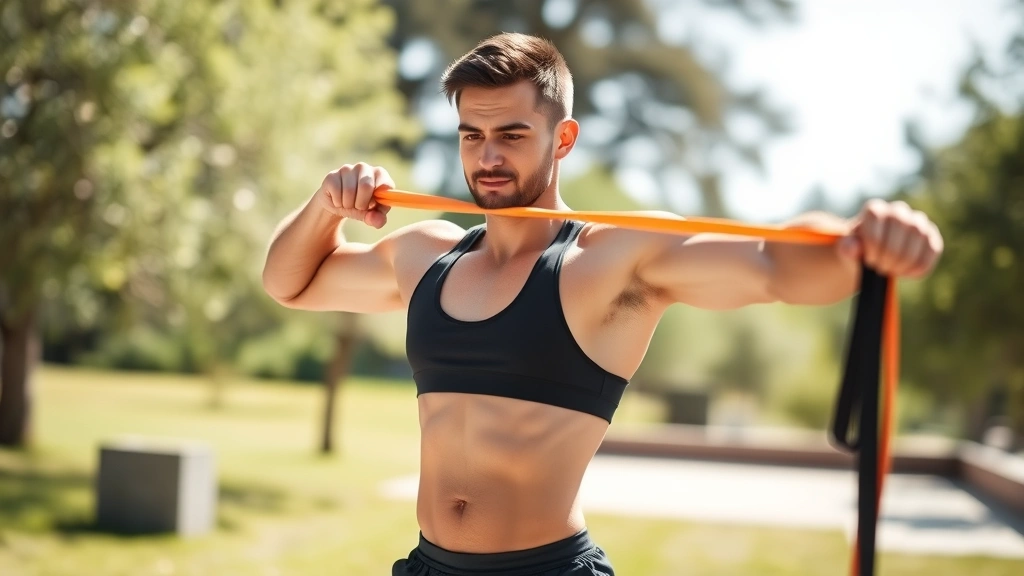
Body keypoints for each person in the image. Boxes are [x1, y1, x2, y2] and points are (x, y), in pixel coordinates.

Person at [262, 32, 943, 576]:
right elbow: (290, 282)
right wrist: (327, 205)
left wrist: (858, 243)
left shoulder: (613, 260)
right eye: (472, 135)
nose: (487, 157)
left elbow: (774, 264)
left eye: (511, 135)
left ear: (563, 139)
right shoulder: (426, 255)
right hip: (428, 565)